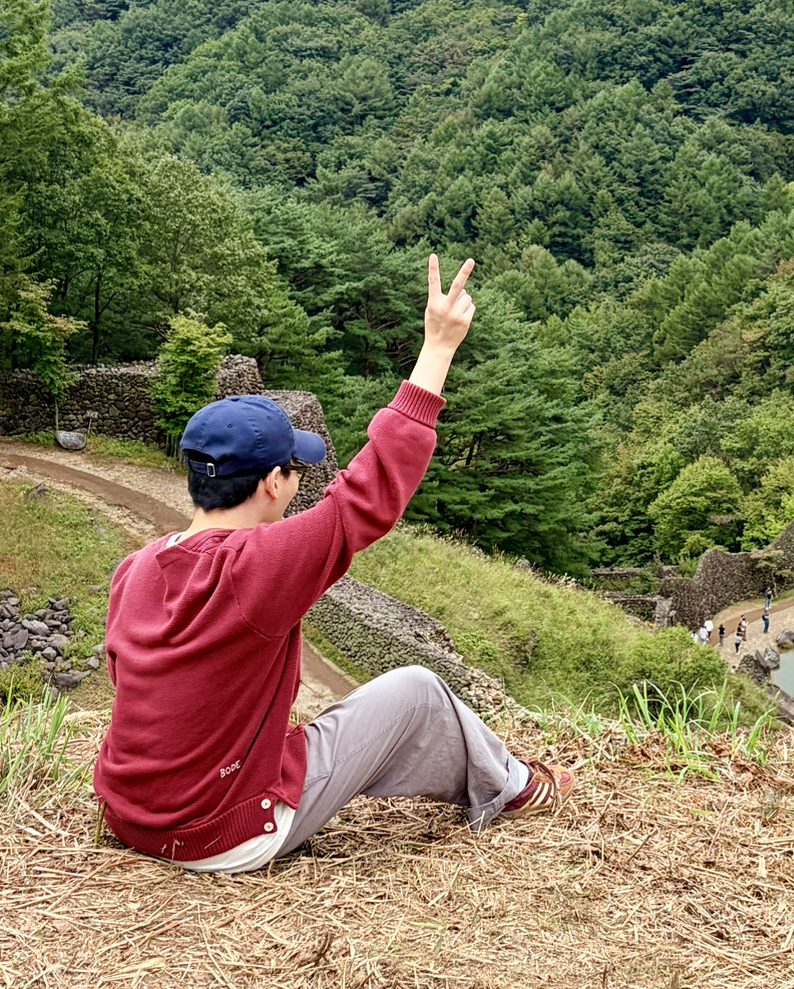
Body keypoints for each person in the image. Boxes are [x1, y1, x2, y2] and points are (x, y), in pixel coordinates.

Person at [92, 256, 576, 875]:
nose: (301, 481)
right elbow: (367, 496)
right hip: (221, 833)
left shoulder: (135, 568)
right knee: (419, 691)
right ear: (273, 482)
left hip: (129, 815)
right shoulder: (255, 565)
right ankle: (517, 789)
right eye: (296, 470)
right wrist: (438, 346)